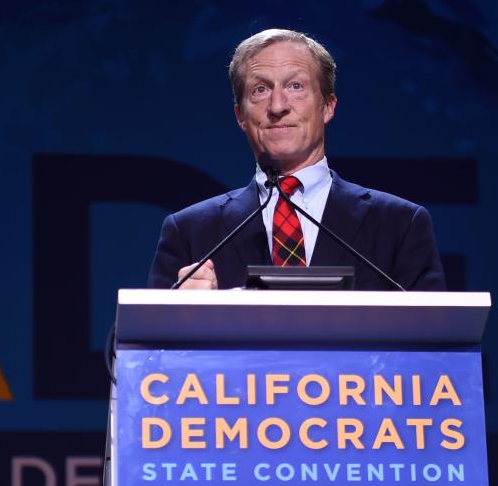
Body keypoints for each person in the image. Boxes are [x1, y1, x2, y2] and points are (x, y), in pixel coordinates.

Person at [147, 29, 445, 291]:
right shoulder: (190, 232)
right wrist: (183, 314)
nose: (278, 106)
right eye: (260, 90)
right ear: (240, 116)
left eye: (296, 86)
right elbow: (144, 351)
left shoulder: (399, 225)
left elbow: (437, 347)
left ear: (328, 106)